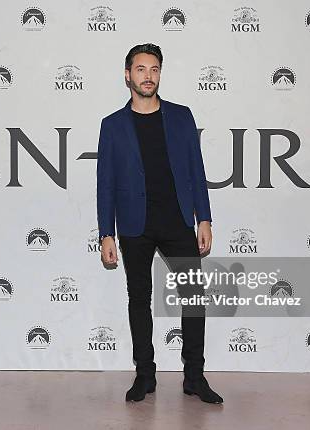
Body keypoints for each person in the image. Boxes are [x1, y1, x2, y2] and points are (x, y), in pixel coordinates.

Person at [96, 43, 223, 404]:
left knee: (194, 299)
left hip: (179, 221)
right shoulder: (113, 125)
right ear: (127, 75)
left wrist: (205, 219)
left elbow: (197, 172)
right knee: (139, 300)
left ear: (159, 74)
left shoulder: (182, 116)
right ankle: (145, 375)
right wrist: (106, 232)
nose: (147, 76)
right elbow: (105, 183)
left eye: (154, 69)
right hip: (135, 226)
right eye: (140, 69)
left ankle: (194, 378)